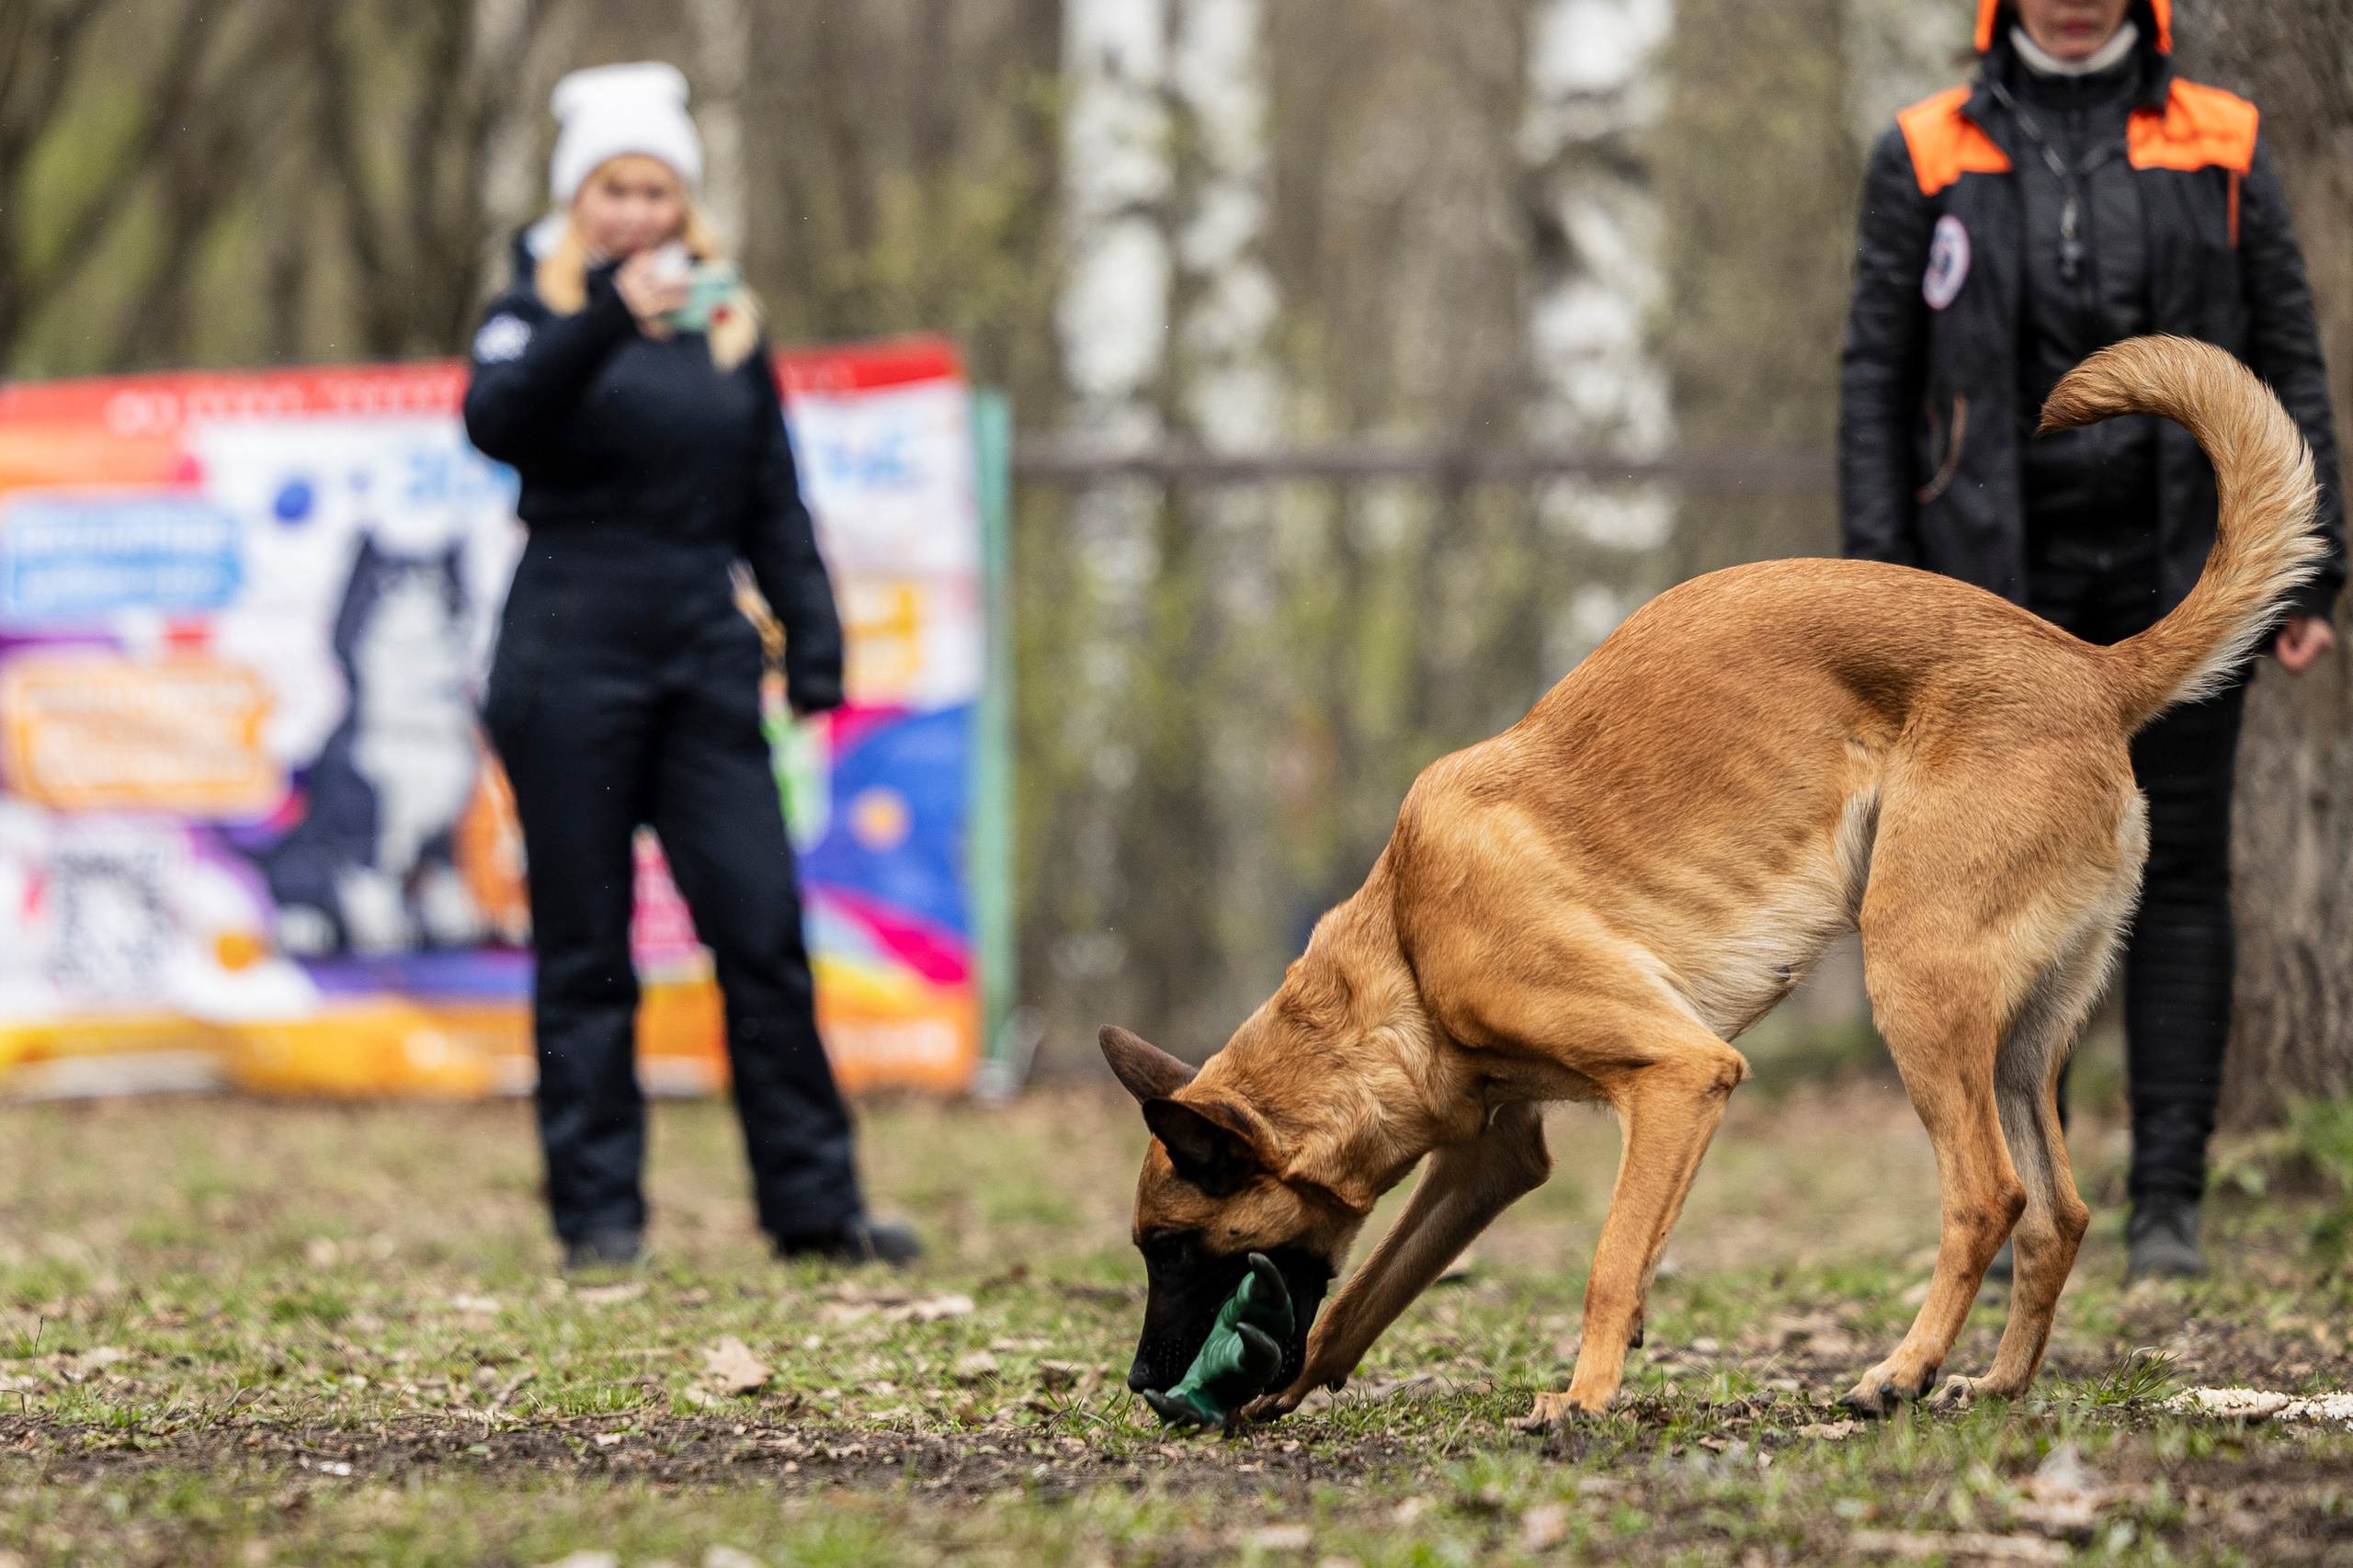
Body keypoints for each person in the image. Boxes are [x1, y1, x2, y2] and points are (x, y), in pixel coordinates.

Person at [1839, 0, 2343, 1280]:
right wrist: (1875, 587)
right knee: (1971, 911)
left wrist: (2313, 575)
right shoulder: (1927, 147)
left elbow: (2285, 353)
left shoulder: (2221, 140)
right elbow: (1875, 381)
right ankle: (1991, 1200)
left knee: (2177, 880)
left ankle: (2168, 1200)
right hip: (1983, 596)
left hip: (2185, 569)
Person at [463, 62, 919, 1271]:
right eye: (613, 188)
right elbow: (497, 419)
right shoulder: (533, 312)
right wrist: (612, 311)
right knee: (588, 948)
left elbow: (773, 494)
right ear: (578, 200)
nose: (635, 212)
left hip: (703, 660)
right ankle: (600, 1220)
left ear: (684, 202)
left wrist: (815, 638)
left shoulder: (727, 325)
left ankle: (817, 1210)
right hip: (568, 658)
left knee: (762, 932)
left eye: (655, 189)